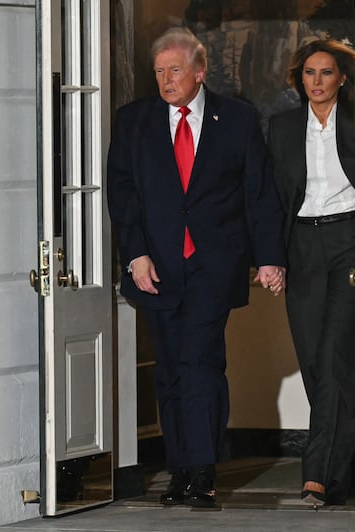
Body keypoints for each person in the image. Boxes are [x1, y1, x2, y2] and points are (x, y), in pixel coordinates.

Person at [107, 27, 286, 508]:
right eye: (159, 71)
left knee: (200, 361)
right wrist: (135, 254)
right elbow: (122, 196)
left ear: (200, 72)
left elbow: (259, 194)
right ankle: (180, 469)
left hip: (214, 263)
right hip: (155, 266)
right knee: (169, 369)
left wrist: (269, 257)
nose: (165, 80)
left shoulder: (239, 120)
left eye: (175, 70)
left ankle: (203, 472)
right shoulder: (134, 121)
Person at [267, 38, 355, 506]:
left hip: (349, 241)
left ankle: (317, 475)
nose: (317, 82)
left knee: (334, 355)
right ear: (299, 79)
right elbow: (269, 199)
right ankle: (347, 471)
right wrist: (270, 257)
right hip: (301, 243)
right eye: (309, 73)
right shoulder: (282, 127)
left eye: (326, 73)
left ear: (342, 77)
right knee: (313, 360)